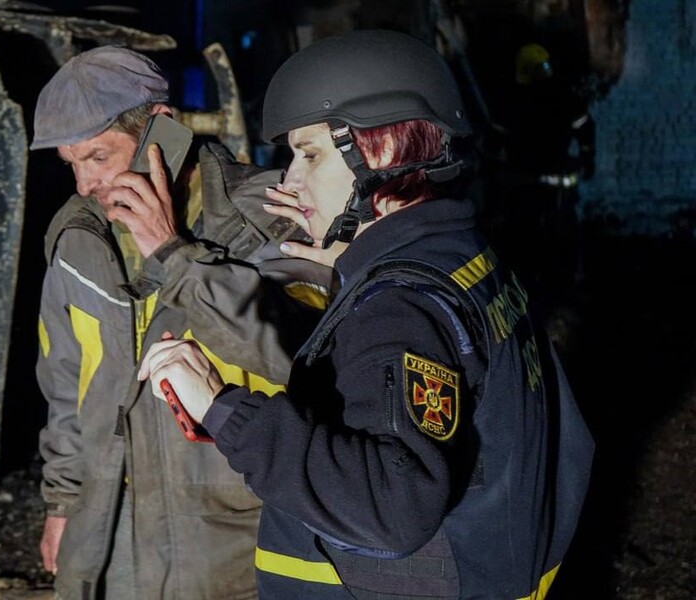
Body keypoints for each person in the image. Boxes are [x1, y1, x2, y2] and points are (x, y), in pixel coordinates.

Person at [139, 30, 595, 600]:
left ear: (378, 151)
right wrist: (355, 267)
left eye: (309, 155)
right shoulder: (460, 254)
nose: (290, 180)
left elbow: (391, 508)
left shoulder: (399, 303)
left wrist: (221, 407)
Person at [30, 45, 330, 599]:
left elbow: (303, 359)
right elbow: (68, 387)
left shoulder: (272, 215)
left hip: (231, 544)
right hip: (110, 543)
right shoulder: (78, 237)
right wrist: (63, 504)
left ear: (159, 127)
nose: (84, 184)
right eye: (71, 163)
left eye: (98, 156)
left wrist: (173, 254)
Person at [482, 41, 596, 302]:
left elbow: (492, 144)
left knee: (521, 241)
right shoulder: (566, 98)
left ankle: (524, 292)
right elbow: (586, 130)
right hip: (557, 189)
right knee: (562, 238)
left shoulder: (511, 101)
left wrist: (490, 172)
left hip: (521, 185)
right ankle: (565, 289)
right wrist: (588, 159)